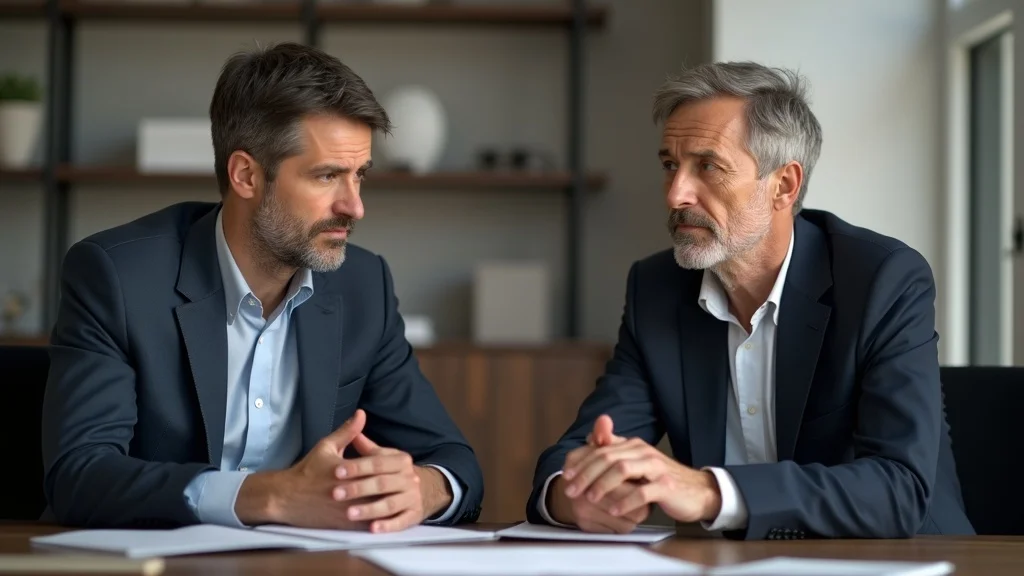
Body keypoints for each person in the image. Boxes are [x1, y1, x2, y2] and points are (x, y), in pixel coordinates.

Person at [41, 42, 483, 531]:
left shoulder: (364, 287)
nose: (354, 207)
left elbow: (455, 463)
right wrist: (271, 496)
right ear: (246, 175)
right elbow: (79, 475)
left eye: (359, 176)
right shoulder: (117, 277)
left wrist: (422, 488)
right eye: (327, 176)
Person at [525, 61, 974, 540]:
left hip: (898, 559)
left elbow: (899, 488)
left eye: (708, 166)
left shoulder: (881, 280)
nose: (676, 194)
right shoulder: (656, 289)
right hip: (727, 563)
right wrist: (572, 494)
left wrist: (711, 492)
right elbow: (579, 452)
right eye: (670, 165)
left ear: (784, 185)